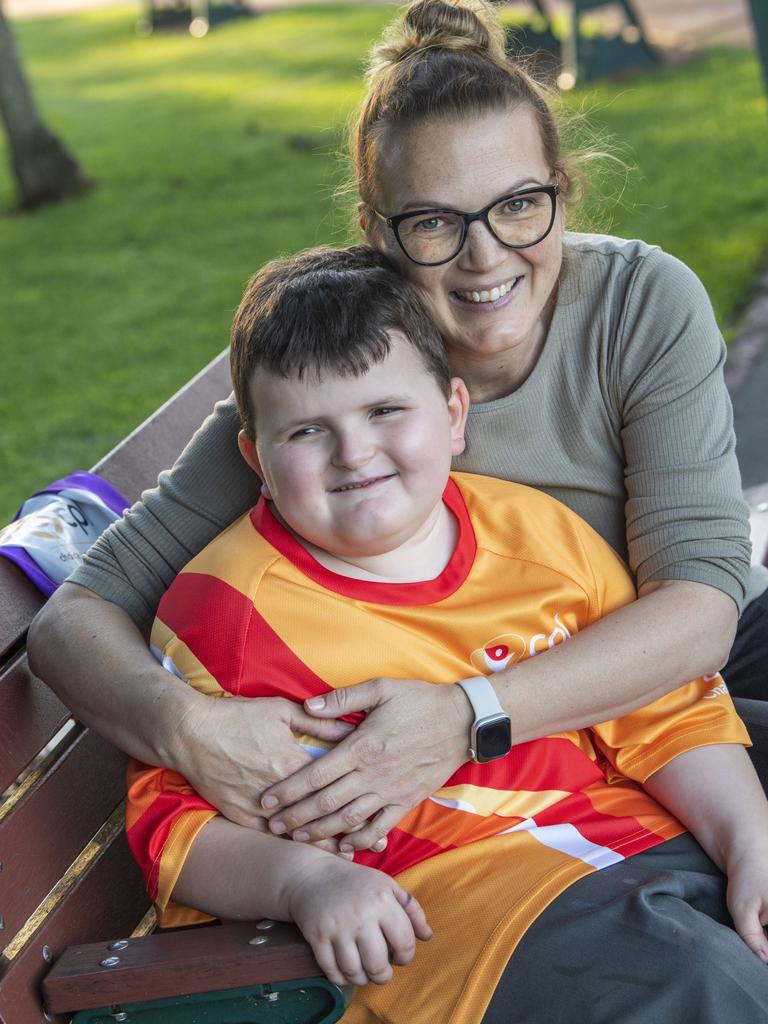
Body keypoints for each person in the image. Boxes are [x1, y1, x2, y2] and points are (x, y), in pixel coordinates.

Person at [29, 0, 768, 852]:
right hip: (572, 758)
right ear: (375, 234)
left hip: (677, 682)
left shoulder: (640, 304)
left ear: (564, 194)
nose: (485, 256)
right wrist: (190, 730)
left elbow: (702, 606)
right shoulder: (333, 413)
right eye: (433, 224)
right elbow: (71, 622)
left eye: (519, 205)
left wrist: (466, 716)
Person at [125, 245, 768, 1024]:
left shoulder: (538, 535)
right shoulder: (227, 614)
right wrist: (304, 882)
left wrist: (745, 843)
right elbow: (172, 824)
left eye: (386, 411)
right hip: (466, 911)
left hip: (637, 842)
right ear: (254, 457)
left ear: (454, 415)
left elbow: (665, 715)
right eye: (306, 433)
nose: (355, 453)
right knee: (697, 985)